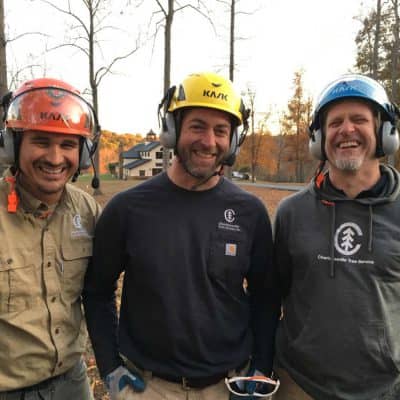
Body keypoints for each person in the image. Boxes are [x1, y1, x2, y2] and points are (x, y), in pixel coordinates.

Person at [83, 72, 281, 400]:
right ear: (173, 130)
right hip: (148, 388)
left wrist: (260, 365)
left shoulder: (250, 213)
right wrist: (109, 368)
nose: (209, 141)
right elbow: (97, 291)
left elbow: (265, 296)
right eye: (197, 126)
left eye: (221, 130)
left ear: (232, 140)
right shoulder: (127, 209)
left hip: (228, 387)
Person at [273, 74, 400, 400]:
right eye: (335, 123)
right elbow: (270, 296)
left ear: (384, 132)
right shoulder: (291, 213)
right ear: (318, 137)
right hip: (300, 386)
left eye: (359, 120)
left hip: (385, 389)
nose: (346, 130)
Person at [0, 78, 101, 399]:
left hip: (72, 383)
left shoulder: (86, 211)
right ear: (12, 145)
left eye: (68, 145)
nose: (56, 159)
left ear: (83, 154)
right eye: (41, 142)